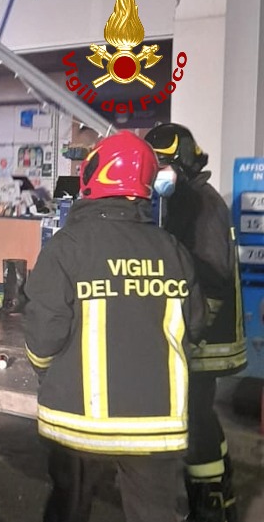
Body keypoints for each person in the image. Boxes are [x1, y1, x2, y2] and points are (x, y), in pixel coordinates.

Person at [23, 130, 205, 522]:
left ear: (94, 176)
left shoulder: (67, 247)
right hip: (156, 425)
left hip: (76, 421)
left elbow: (42, 335)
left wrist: (46, 371)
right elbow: (195, 328)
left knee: (69, 508)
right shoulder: (173, 250)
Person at [146, 123, 246, 522]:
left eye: (163, 165)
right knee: (204, 417)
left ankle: (208, 507)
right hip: (204, 335)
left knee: (196, 420)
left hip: (204, 342)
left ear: (184, 162)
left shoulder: (200, 204)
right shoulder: (191, 199)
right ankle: (223, 495)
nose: (157, 175)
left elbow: (211, 279)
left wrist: (192, 333)